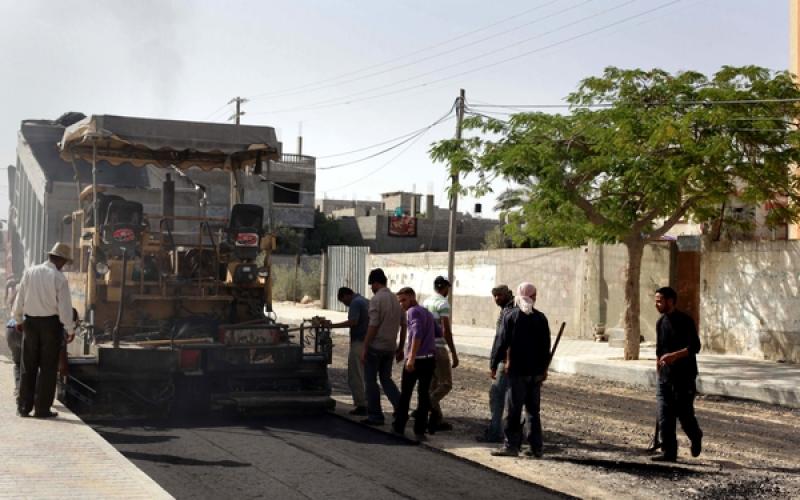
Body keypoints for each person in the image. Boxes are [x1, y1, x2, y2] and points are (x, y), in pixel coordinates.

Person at [12, 242, 75, 418]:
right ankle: (42, 409)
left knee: (28, 366)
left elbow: (20, 297)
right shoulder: (59, 278)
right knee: (48, 368)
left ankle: (23, 407)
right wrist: (70, 330)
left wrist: (18, 319)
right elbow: (64, 308)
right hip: (50, 326)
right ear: (61, 260)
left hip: (30, 323)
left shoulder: (30, 272)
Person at [491, 282, 550, 458]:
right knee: (533, 411)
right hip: (535, 373)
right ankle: (535, 447)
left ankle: (511, 446)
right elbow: (545, 347)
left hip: (517, 372)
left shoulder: (511, 316)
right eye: (535, 295)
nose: (535, 298)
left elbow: (501, 342)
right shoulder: (540, 318)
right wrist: (544, 369)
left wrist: (494, 364)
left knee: (513, 410)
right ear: (531, 297)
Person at [651, 286, 703, 462]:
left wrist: (675, 356)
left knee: (685, 415)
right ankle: (669, 452)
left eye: (660, 300)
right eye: (656, 300)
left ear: (670, 301)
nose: (656, 304)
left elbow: (695, 347)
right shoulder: (660, 323)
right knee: (665, 415)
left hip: (684, 377)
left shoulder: (685, 321)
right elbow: (659, 351)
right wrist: (658, 372)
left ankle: (696, 436)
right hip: (665, 377)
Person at [360, 268, 405, 426]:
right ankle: (401, 409)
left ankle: (376, 416)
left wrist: (365, 347)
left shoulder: (377, 300)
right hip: (390, 347)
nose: (371, 288)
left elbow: (373, 325)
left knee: (370, 381)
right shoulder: (395, 299)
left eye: (372, 284)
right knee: (386, 379)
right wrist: (400, 347)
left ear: (376, 283)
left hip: (375, 347)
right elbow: (404, 324)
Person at [392, 287, 437, 441]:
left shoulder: (413, 312)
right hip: (429, 359)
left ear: (412, 297)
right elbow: (439, 332)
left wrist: (411, 357)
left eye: (403, 300)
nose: (401, 304)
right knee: (423, 395)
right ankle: (420, 430)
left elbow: (417, 333)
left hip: (416, 361)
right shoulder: (427, 313)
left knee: (406, 395)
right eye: (399, 301)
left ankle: (399, 427)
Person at [422, 276, 459, 432]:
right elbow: (446, 330)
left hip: (427, 348)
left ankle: (436, 419)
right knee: (445, 384)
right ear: (444, 288)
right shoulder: (443, 304)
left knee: (433, 384)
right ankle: (426, 404)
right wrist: (453, 352)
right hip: (438, 348)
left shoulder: (426, 302)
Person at [478, 284, 514, 443]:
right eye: (495, 296)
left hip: (505, 361)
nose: (497, 299)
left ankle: (495, 433)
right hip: (514, 361)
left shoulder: (509, 312)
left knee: (497, 396)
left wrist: (493, 363)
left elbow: (501, 340)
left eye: (500, 295)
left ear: (508, 294)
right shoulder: (512, 309)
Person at [328, 287, 369, 415]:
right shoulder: (365, 301)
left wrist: (331, 326)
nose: (344, 304)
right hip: (368, 342)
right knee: (366, 375)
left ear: (347, 295)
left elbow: (353, 322)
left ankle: (361, 404)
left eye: (343, 301)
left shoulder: (356, 303)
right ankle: (369, 402)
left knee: (355, 374)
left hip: (359, 342)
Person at [5, 318, 21, 397]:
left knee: (18, 363)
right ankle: (36, 394)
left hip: (10, 329)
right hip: (23, 329)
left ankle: (18, 390)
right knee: (33, 363)